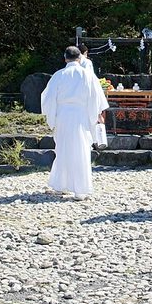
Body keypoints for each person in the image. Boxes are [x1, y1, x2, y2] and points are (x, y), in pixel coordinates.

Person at [41, 46, 109, 199]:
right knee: (81, 150)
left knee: (63, 149)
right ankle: (81, 189)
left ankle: (60, 185)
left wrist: (53, 116)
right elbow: (96, 98)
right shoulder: (88, 75)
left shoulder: (58, 75)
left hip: (63, 116)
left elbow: (48, 98)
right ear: (80, 58)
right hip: (82, 116)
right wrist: (97, 115)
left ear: (65, 58)